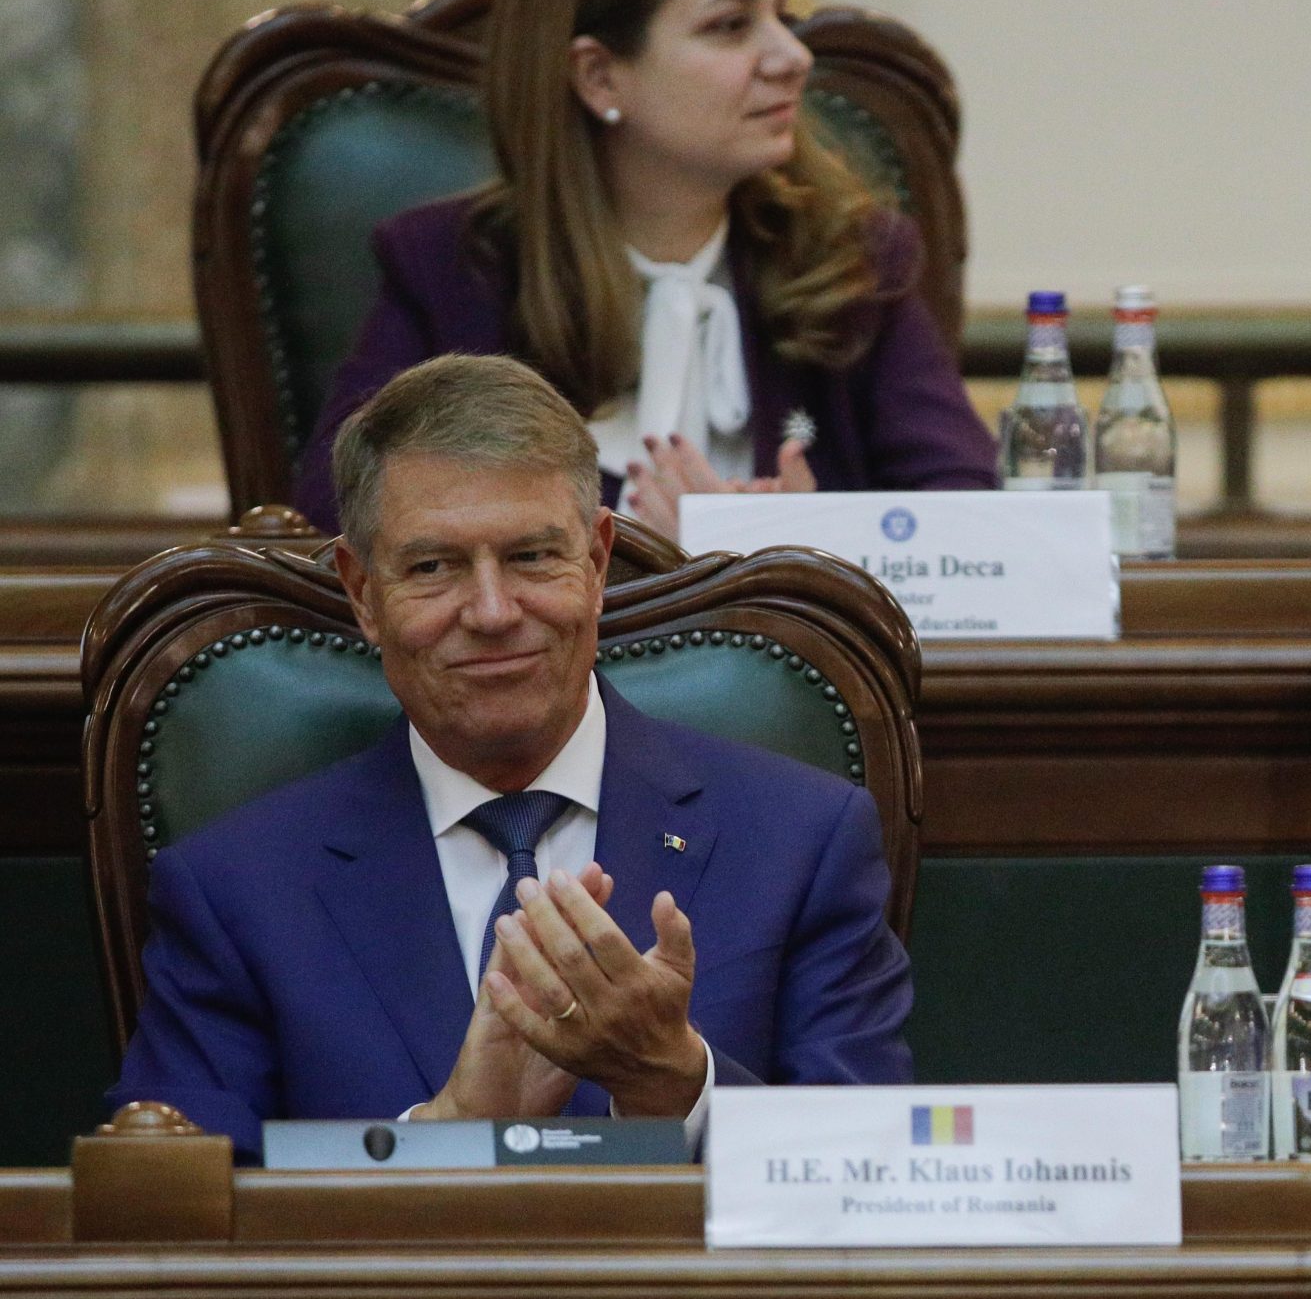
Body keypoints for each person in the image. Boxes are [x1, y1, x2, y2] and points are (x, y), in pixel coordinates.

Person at [116, 354, 915, 1160]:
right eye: (434, 568)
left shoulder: (801, 838)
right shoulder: (237, 889)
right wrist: (437, 1137)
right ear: (363, 593)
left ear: (597, 563)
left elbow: (869, 1173)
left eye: (533, 557)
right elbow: (176, 1202)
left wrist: (678, 1086)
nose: (494, 612)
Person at [292, 0, 995, 535]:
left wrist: (804, 545)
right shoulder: (449, 270)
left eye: (783, 16)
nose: (792, 57)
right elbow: (343, 517)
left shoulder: (855, 264)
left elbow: (972, 516)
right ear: (599, 76)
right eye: (731, 25)